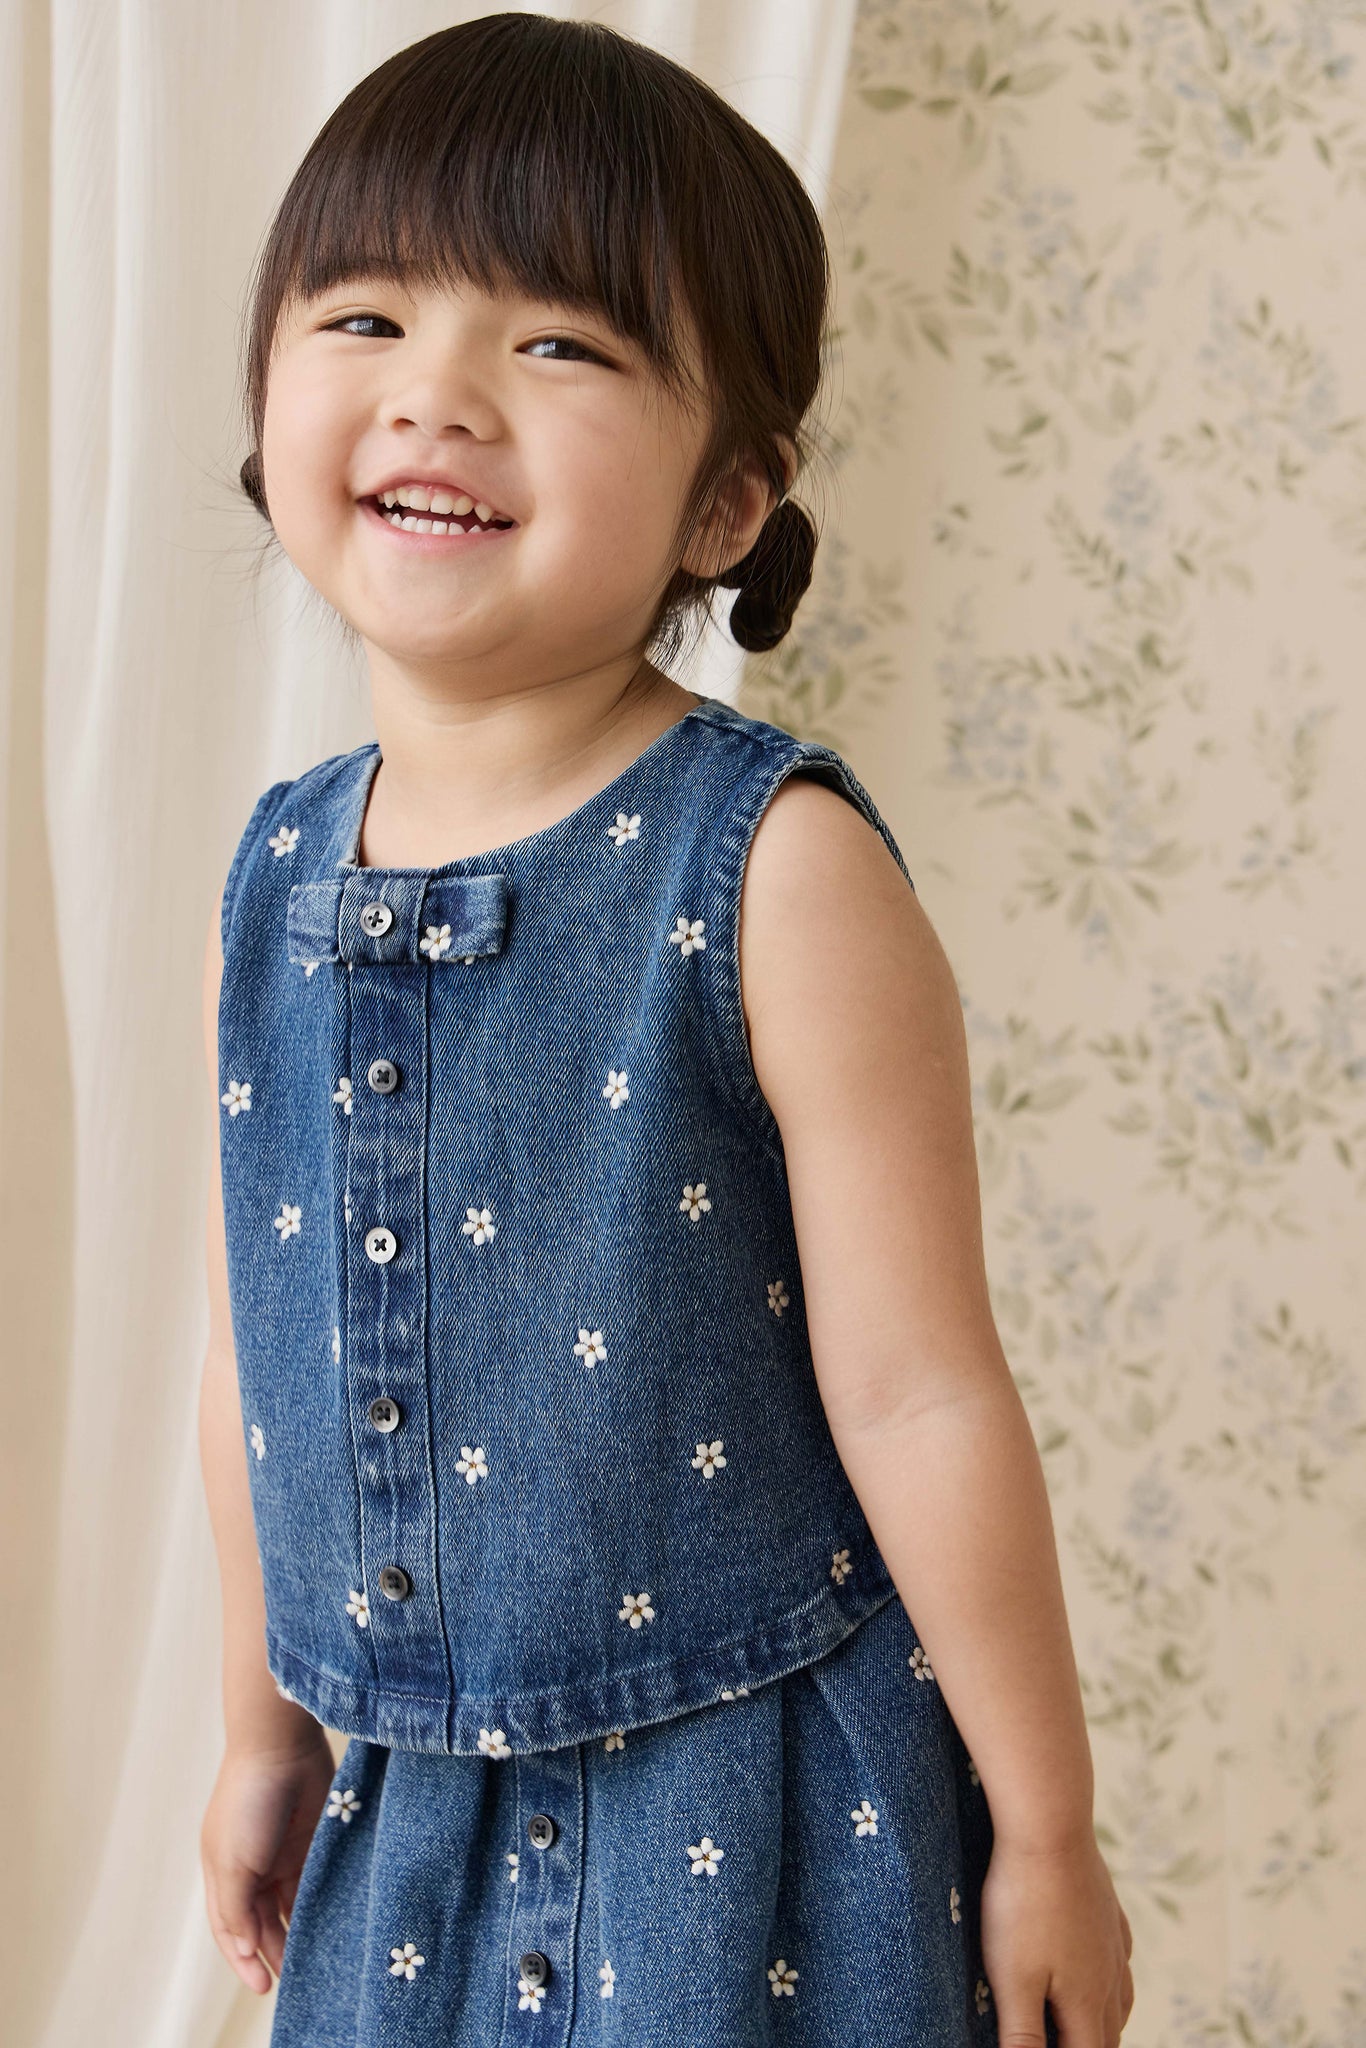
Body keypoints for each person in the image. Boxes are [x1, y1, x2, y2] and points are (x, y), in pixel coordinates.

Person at [197, 15, 1134, 2047]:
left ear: (724, 500)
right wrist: (267, 1731)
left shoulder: (776, 869)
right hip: (411, 1825)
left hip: (753, 1817)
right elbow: (253, 1354)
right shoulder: (273, 875)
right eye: (364, 317)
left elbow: (921, 1393)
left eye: (557, 344)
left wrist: (1046, 1831)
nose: (438, 392)